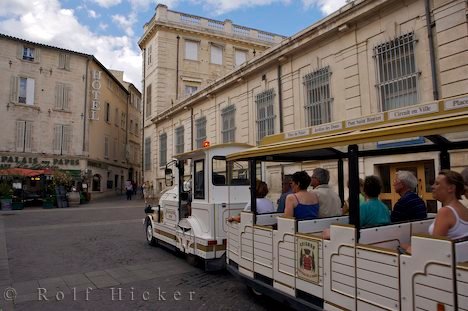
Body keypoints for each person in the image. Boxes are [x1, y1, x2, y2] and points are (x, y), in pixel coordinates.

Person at [428, 170, 468, 239]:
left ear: (451, 188)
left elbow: (435, 245)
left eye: (437, 184)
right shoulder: (464, 209)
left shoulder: (445, 212)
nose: (432, 187)